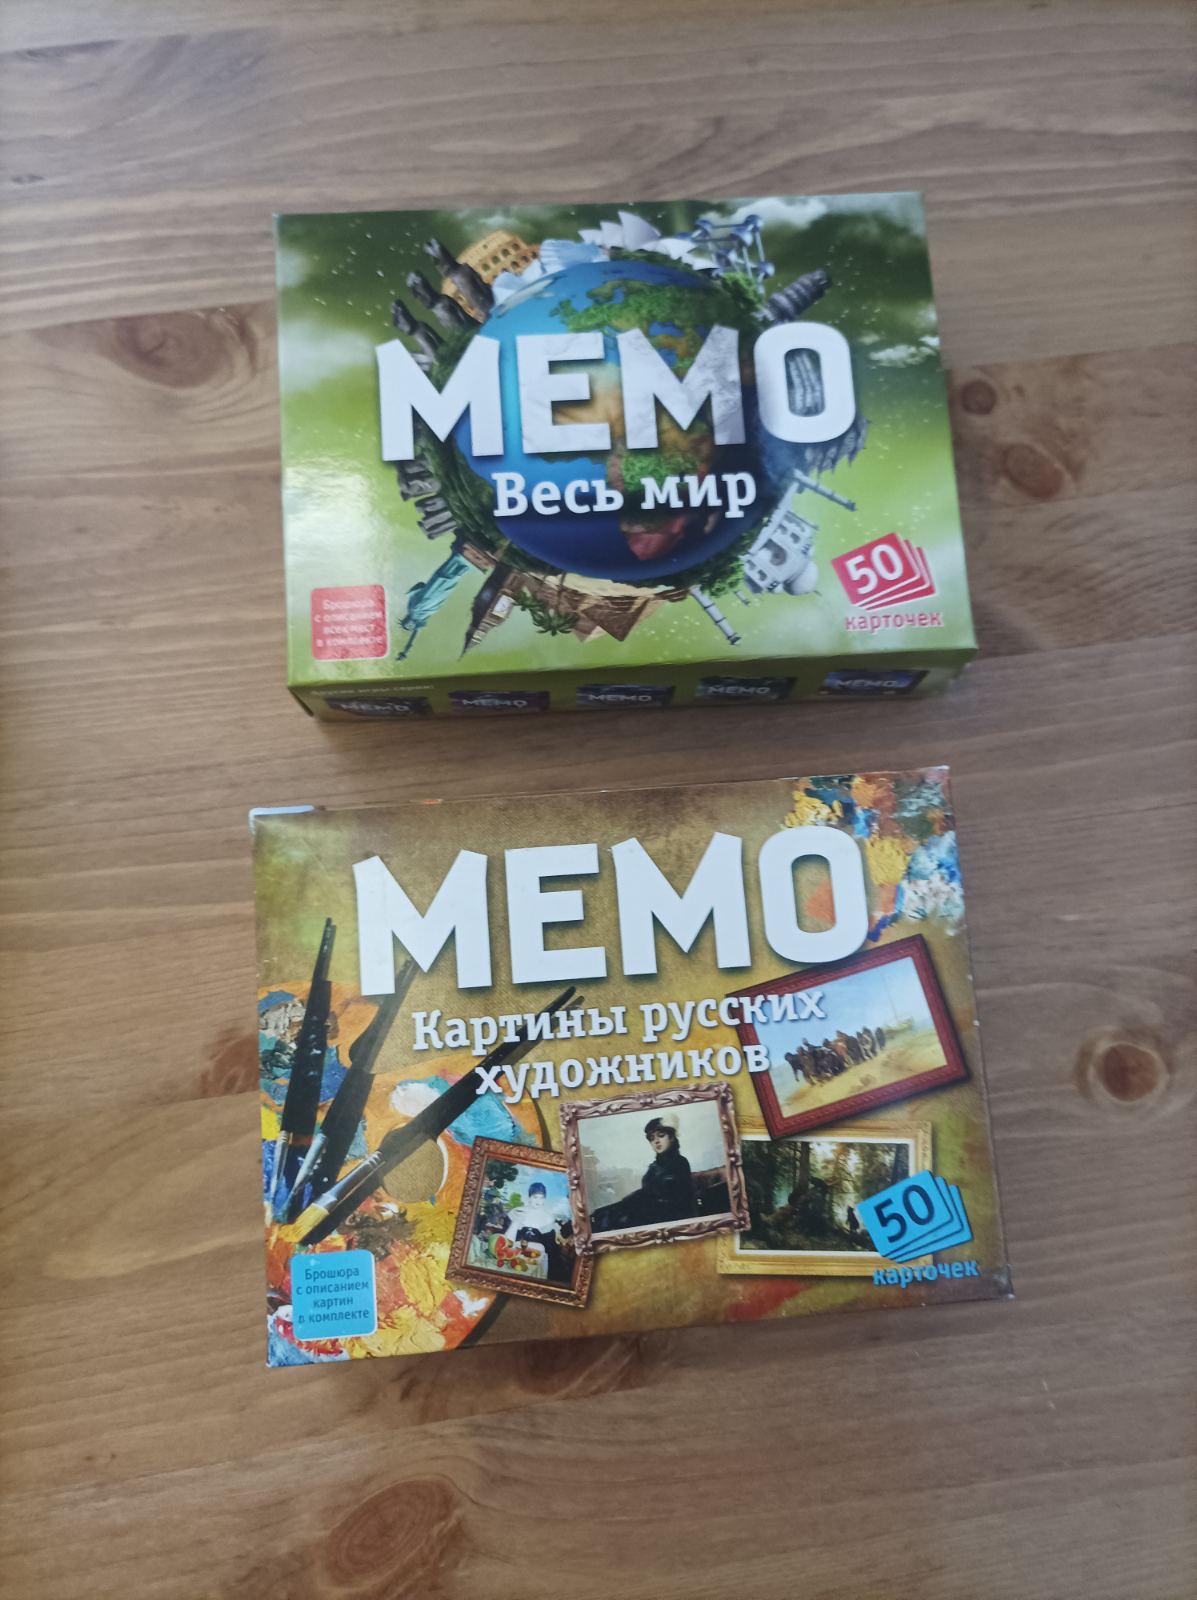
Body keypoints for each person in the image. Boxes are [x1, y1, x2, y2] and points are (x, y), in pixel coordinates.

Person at [504, 1181, 572, 1282]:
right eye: (535, 1197)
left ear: (544, 1199)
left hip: (537, 1262)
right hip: (515, 1257)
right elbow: (507, 1242)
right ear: (529, 1197)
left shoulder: (549, 1218)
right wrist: (516, 1222)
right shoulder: (517, 1212)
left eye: (541, 1197)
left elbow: (550, 1249)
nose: (538, 1201)